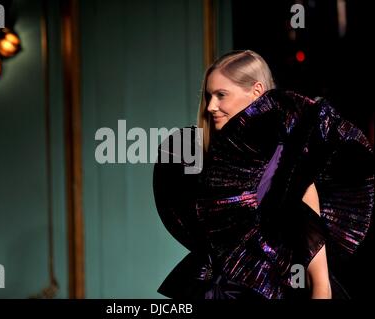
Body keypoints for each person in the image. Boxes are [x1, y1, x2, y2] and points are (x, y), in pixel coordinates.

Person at [153, 50, 374, 299]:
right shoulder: (202, 167)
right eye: (208, 96)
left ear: (256, 92)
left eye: (221, 95)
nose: (211, 106)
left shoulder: (289, 174)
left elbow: (321, 285)